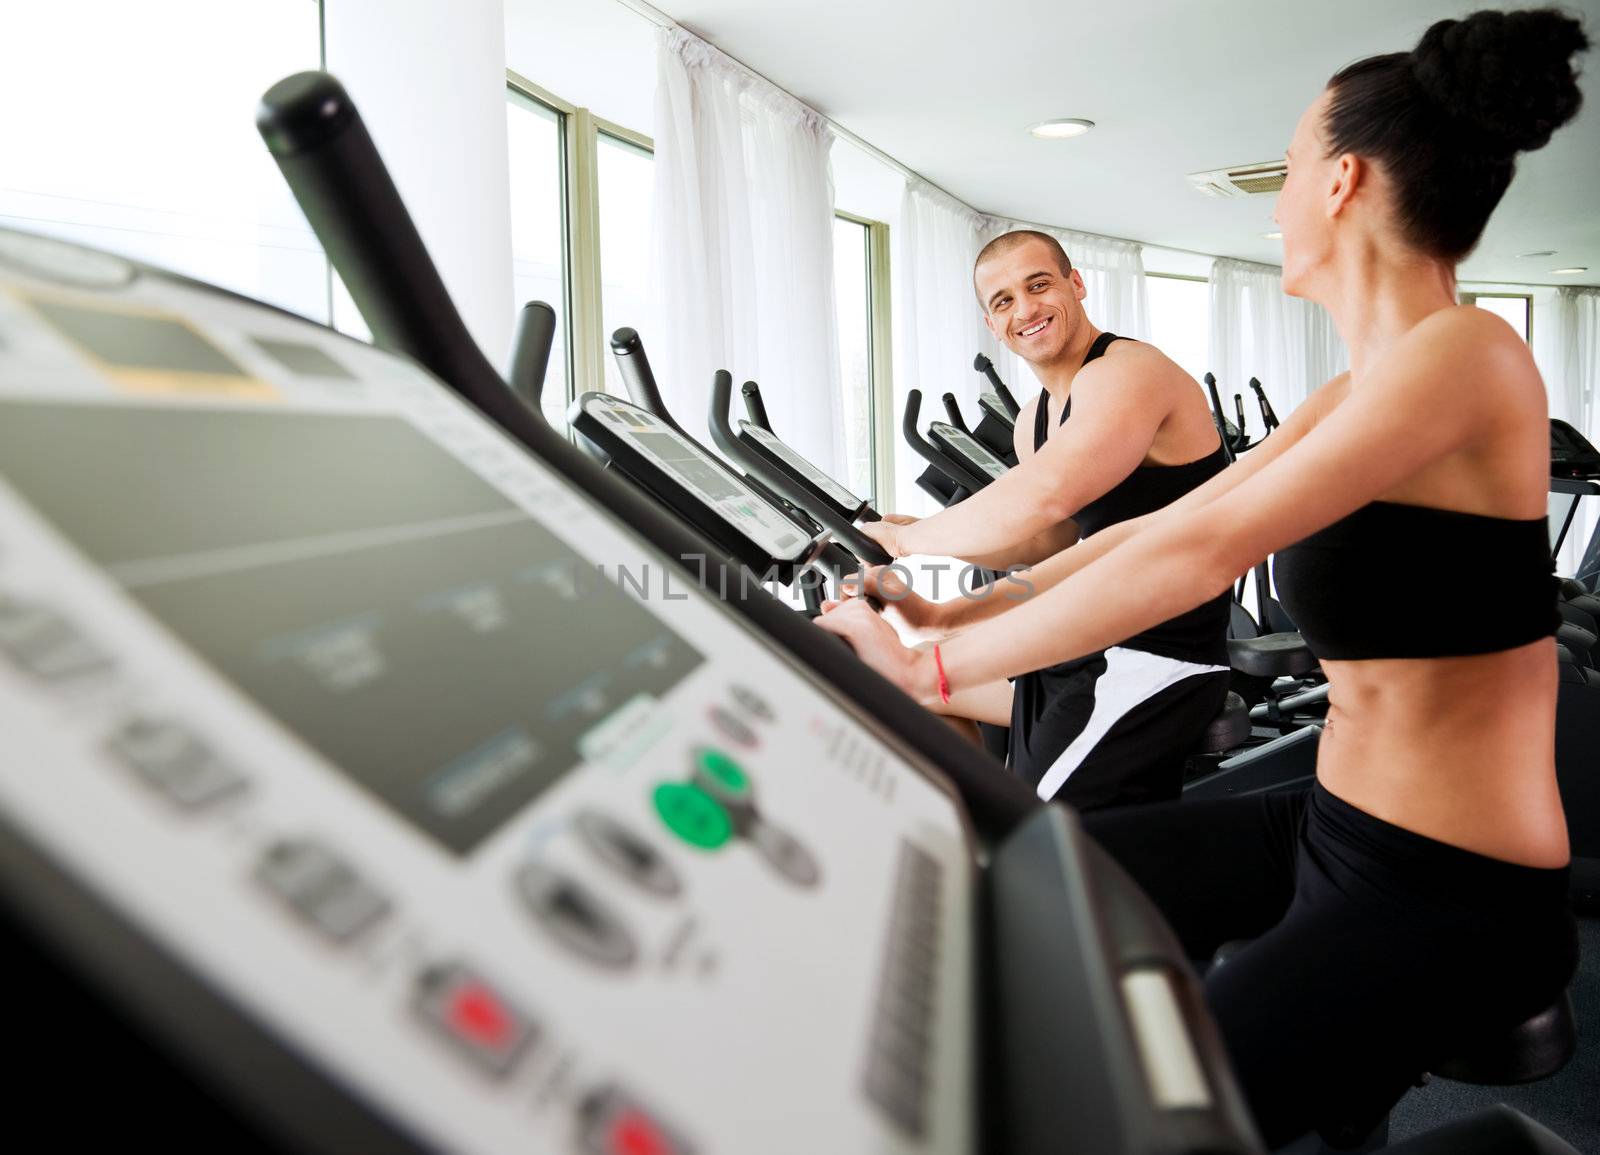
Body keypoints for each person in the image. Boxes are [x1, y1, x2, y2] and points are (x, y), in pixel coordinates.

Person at [821, 9, 1587, 1147]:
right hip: (1335, 823)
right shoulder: (1357, 387)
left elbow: (1194, 556)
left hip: (1452, 885)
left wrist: (933, 668)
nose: (1274, 199)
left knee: (1133, 1119)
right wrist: (949, 610)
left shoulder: (1465, 356)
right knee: (1014, 896)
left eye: (1283, 169)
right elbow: (1163, 524)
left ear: (1339, 183)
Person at [856, 229, 1232, 810]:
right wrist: (924, 544)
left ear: (1075, 285)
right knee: (917, 698)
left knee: (1045, 828)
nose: (1025, 309)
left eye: (1039, 285)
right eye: (1004, 300)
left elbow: (1048, 495)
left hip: (1147, 659)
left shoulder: (1128, 371)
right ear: (992, 323)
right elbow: (1042, 543)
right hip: (1072, 644)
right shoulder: (1034, 418)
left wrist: (907, 541)